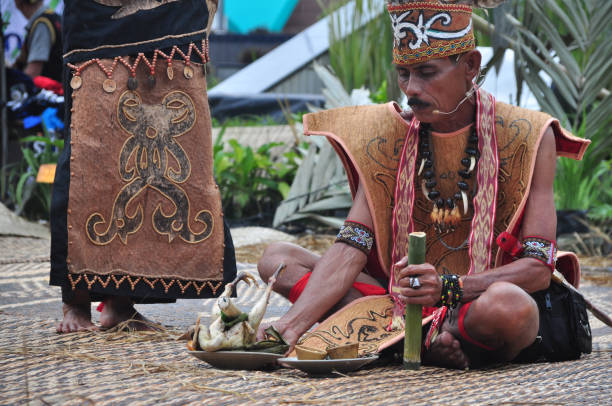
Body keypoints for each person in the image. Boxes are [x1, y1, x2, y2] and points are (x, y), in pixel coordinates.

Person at [256, 0, 591, 368]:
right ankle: (427, 343)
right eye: (403, 74)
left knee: (508, 306)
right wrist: (287, 328)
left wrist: (450, 288)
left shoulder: (528, 133)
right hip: (394, 301)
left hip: (473, 305)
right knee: (278, 259)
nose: (411, 89)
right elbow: (353, 245)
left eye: (426, 72)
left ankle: (428, 338)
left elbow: (538, 269)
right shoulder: (388, 134)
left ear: (470, 66)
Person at [51, 0, 237, 333]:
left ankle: (121, 304)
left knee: (166, 152)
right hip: (98, 19)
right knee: (92, 153)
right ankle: (75, 302)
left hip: (172, 15)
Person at [13, 0, 63, 82]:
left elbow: (33, 72)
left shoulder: (42, 24)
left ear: (20, 5)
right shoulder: (55, 18)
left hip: (50, 91)